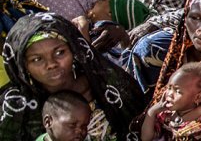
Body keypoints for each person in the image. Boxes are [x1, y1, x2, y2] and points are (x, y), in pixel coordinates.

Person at [0, 13, 147, 140]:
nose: (51, 64)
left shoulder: (106, 83)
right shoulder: (16, 107)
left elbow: (140, 126)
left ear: (74, 49)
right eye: (37, 59)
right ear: (23, 66)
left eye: (60, 52)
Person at [140, 62, 201, 141]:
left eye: (177, 91)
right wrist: (152, 112)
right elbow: (146, 138)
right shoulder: (165, 114)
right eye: (169, 88)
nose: (169, 94)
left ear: (198, 97)